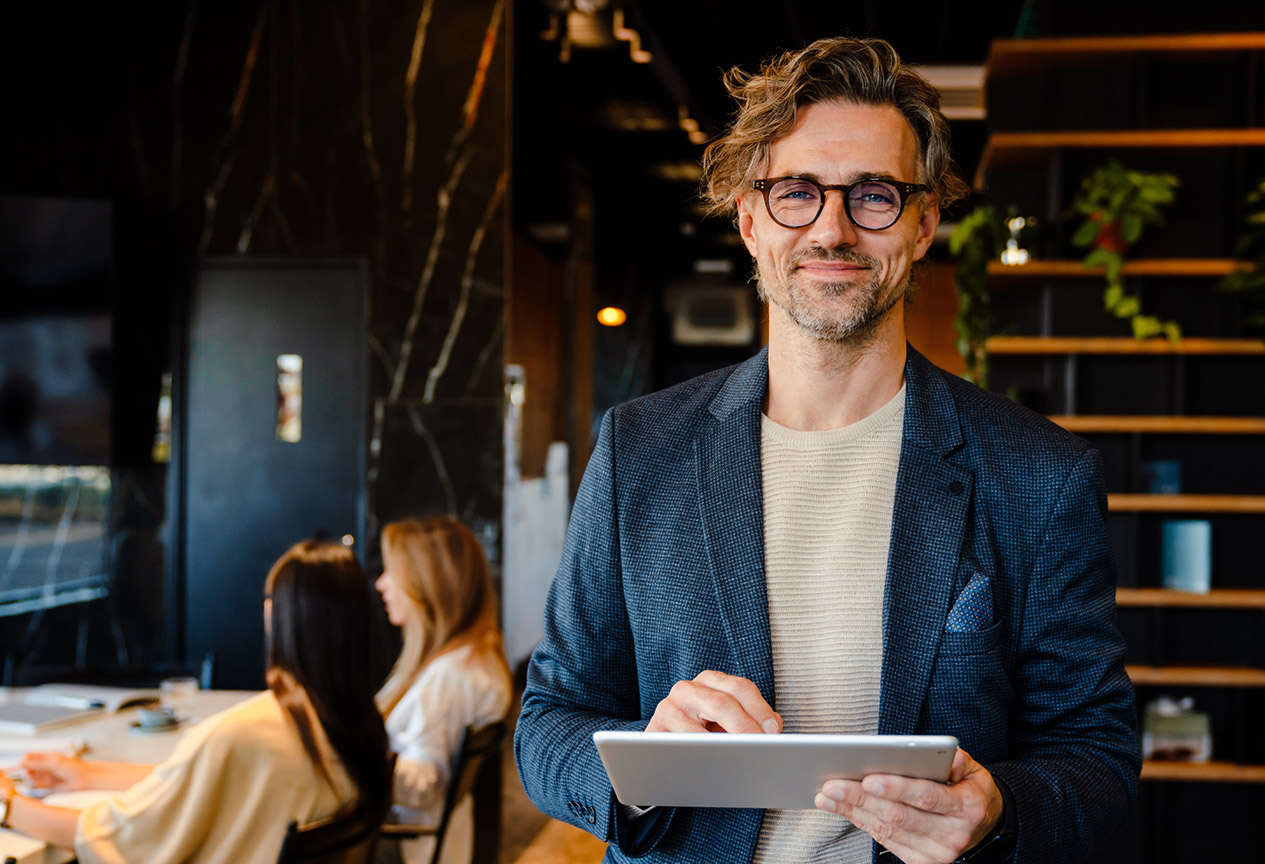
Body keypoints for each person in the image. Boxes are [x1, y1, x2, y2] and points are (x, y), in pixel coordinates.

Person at [514, 36, 1139, 864]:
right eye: (795, 193)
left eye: (873, 194)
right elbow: (549, 720)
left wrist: (1001, 812)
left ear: (922, 224)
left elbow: (1100, 764)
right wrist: (641, 758)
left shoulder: (1039, 473)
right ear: (749, 221)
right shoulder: (640, 450)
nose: (832, 229)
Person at [0, 540, 392, 863]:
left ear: (277, 616)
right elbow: (201, 783)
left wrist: (9, 805)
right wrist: (87, 774)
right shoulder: (352, 722)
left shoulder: (245, 733)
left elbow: (115, 835)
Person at [373, 515, 513, 864]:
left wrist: (354, 757)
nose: (380, 584)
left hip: (402, 847)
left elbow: (421, 785)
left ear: (427, 583)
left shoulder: (448, 678)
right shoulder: (475, 659)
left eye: (392, 572)